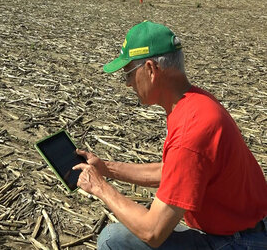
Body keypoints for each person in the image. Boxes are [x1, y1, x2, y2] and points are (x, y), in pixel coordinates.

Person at [72, 21, 267, 249]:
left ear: (151, 70)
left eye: (128, 74)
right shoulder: (196, 103)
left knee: (112, 240)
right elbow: (173, 171)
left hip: (239, 242)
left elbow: (152, 231)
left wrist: (99, 187)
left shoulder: (191, 130)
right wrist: (106, 168)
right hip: (245, 230)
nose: (127, 84)